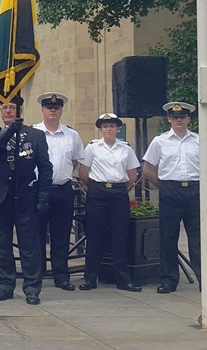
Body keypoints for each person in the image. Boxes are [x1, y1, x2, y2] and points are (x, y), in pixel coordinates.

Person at [143, 102, 207, 295]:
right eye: (174, 116)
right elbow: (148, 169)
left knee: (199, 238)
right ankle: (169, 280)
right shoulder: (159, 141)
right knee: (168, 237)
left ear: (189, 119)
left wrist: (200, 187)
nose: (179, 120)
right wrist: (165, 187)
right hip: (170, 190)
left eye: (182, 117)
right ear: (169, 119)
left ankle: (206, 281)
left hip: (195, 191)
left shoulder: (200, 139)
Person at [0, 95, 52, 305]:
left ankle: (32, 288)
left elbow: (45, 168)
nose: (8, 112)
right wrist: (9, 131)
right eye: (4, 108)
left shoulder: (35, 135)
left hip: (25, 198)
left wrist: (42, 197)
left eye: (12, 108)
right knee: (2, 245)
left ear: (19, 110)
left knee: (29, 246)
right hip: (0, 198)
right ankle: (5, 286)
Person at [77, 113, 142, 292]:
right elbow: (84, 172)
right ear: (100, 129)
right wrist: (98, 187)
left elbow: (132, 176)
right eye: (105, 126)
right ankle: (90, 279)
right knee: (94, 236)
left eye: (112, 126)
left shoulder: (126, 148)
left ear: (117, 128)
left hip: (119, 193)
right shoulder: (92, 147)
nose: (108, 129)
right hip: (97, 192)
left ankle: (123, 280)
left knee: (120, 236)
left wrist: (116, 188)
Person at [32, 92, 83, 291]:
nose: (52, 110)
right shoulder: (33, 132)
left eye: (56, 107)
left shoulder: (72, 135)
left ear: (61, 110)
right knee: (36, 235)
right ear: (42, 110)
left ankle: (61, 276)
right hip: (37, 190)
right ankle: (36, 275)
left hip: (62, 190)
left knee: (61, 235)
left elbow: (76, 161)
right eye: (48, 107)